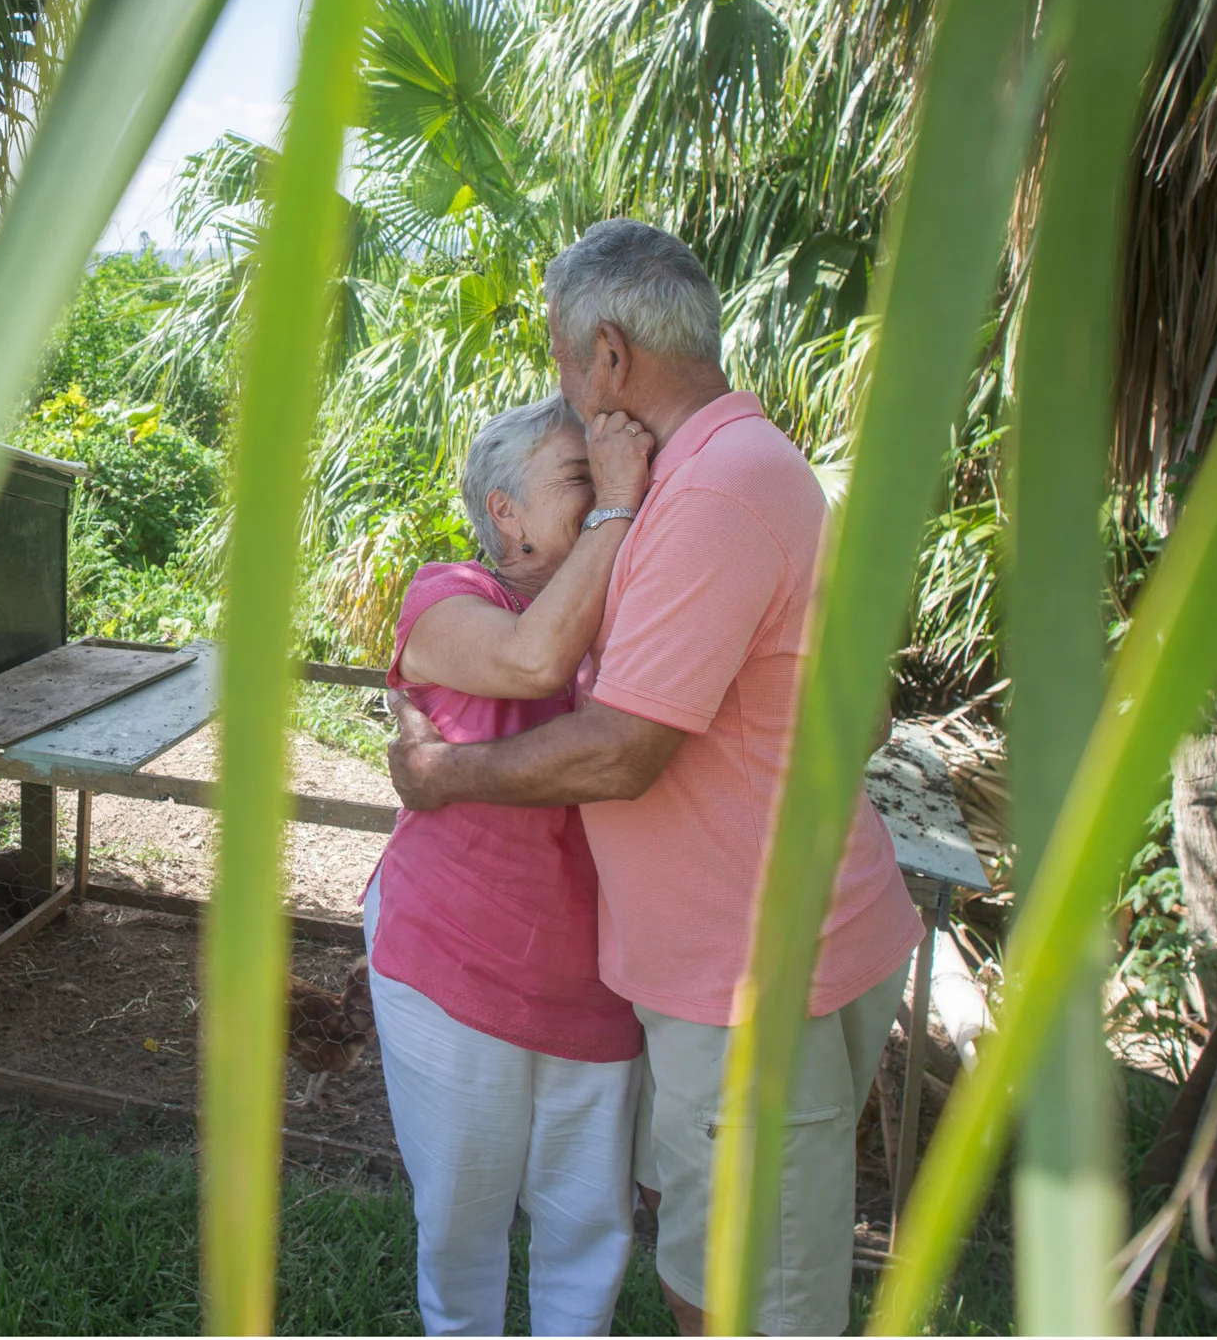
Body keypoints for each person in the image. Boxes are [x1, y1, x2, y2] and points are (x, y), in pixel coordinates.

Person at [387, 219, 924, 1337]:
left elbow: (622, 749)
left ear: (610, 356)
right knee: (710, 1262)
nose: (563, 384)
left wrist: (440, 773)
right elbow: (858, 703)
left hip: (755, 975)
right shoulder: (733, 473)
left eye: (560, 357)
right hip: (743, 960)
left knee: (741, 1296)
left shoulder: (709, 493)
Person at [366, 390, 656, 1337]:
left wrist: (442, 772)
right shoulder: (449, 595)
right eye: (581, 476)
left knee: (590, 1230)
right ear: (507, 515)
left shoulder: (638, 607)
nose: (620, 485)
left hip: (600, 987)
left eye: (617, 474)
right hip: (453, 970)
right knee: (463, 1221)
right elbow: (535, 663)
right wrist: (619, 502)